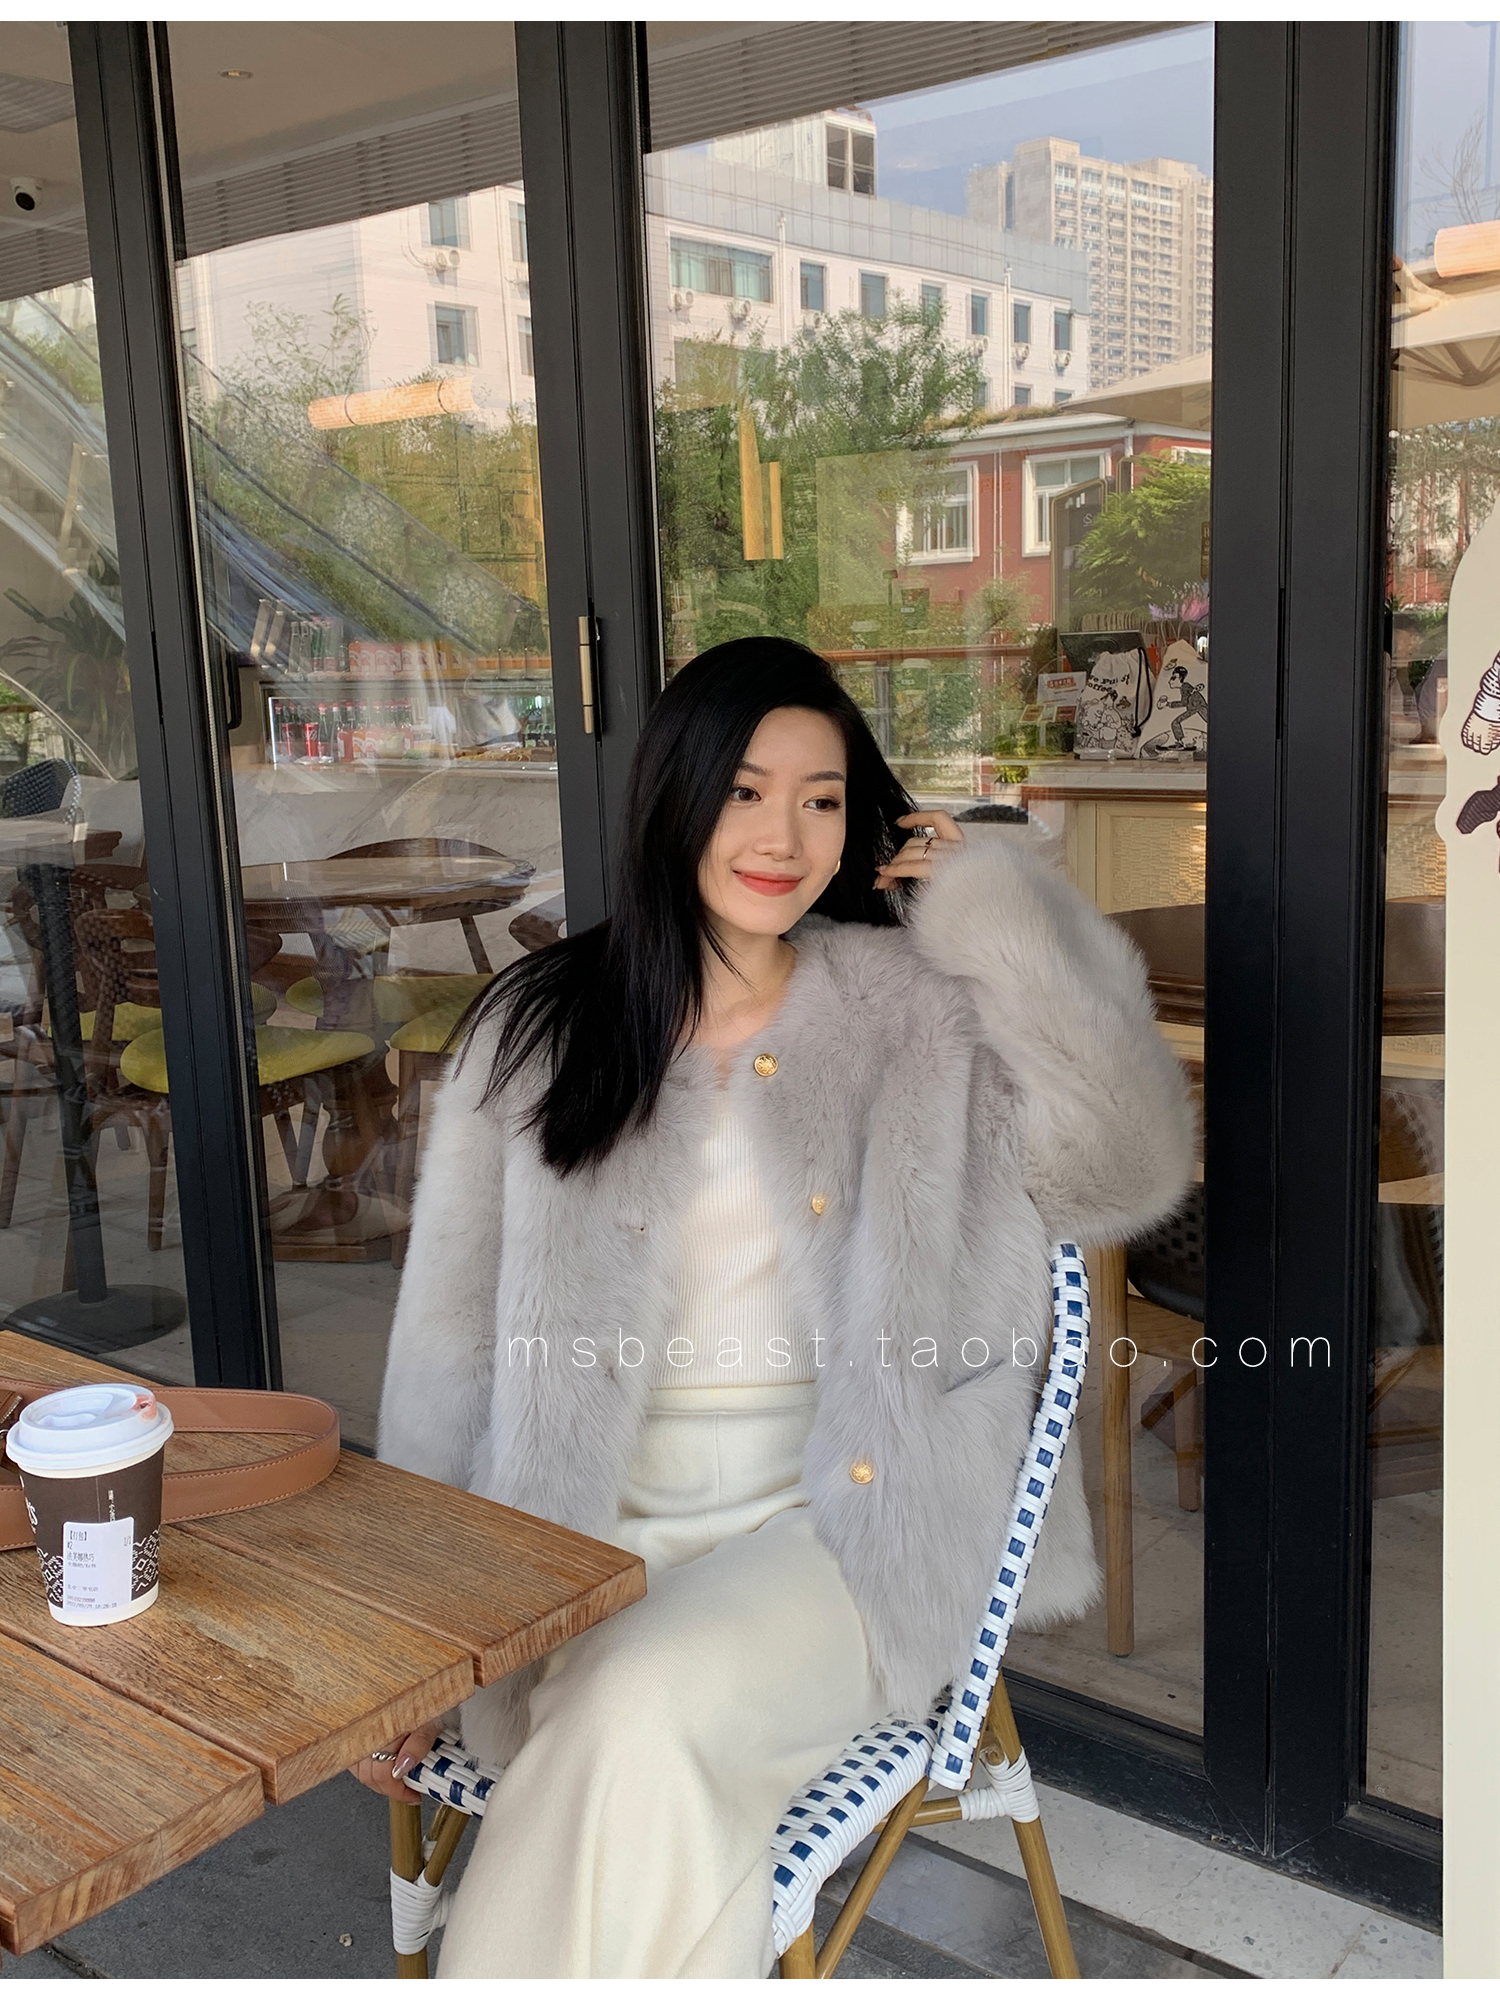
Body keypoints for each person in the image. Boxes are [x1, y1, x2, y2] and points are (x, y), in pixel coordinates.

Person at [356, 638, 1192, 1977]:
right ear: (677, 797)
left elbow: (1126, 1168)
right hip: (581, 1537)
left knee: (632, 1703)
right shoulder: (542, 1030)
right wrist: (412, 1637)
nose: (782, 837)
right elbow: (448, 1349)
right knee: (632, 1748)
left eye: (821, 799)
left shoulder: (917, 1012)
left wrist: (998, 911)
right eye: (745, 791)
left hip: (842, 1534)